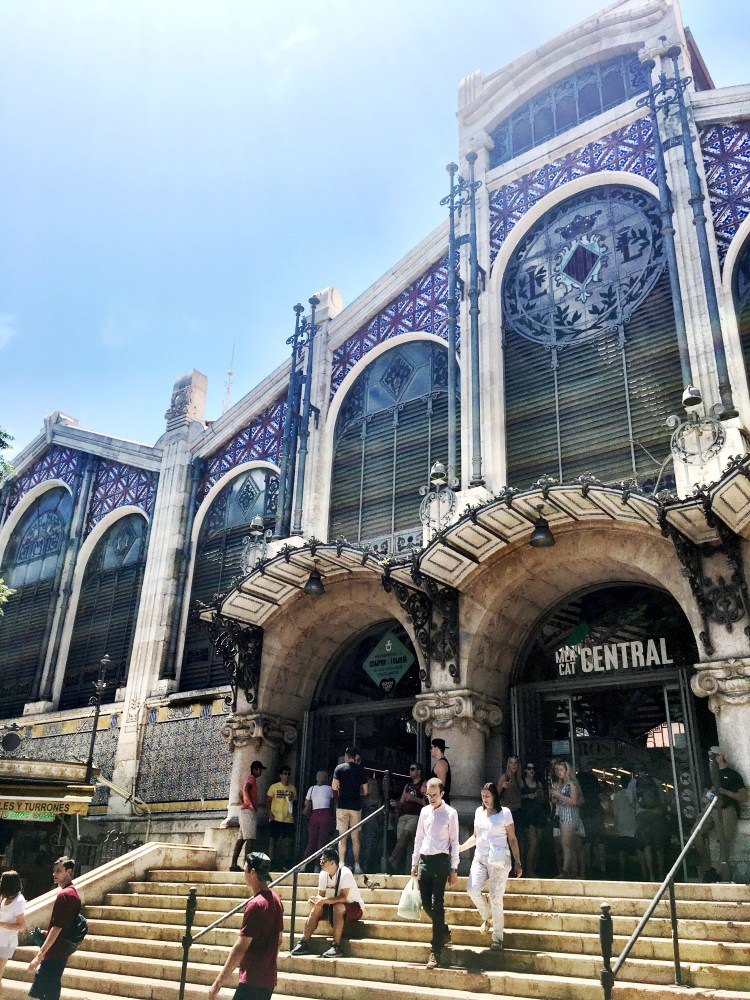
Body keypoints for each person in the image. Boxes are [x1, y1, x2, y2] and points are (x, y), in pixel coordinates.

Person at [208, 851, 283, 1000]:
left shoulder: (255, 905)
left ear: (253, 872)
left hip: (253, 979)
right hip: (267, 979)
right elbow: (279, 940)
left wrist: (218, 982)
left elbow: (240, 947)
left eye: (245, 870)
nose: (243, 874)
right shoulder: (276, 900)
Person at [459, 782, 522, 954]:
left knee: (495, 897)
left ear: (495, 796)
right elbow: (475, 836)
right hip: (480, 857)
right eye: (483, 796)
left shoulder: (505, 813)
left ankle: (497, 938)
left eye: (487, 796)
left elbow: (512, 838)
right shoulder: (479, 812)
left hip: (499, 859)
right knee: (472, 889)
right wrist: (460, 848)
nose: (485, 799)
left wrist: (518, 861)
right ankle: (488, 915)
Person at [411, 777, 459, 969]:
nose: (431, 798)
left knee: (436, 904)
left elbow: (455, 841)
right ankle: (443, 930)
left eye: (434, 795)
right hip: (425, 860)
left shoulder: (451, 813)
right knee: (425, 904)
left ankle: (435, 949)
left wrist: (453, 868)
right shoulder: (424, 812)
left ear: (442, 794)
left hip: (441, 861)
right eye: (428, 795)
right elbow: (419, 837)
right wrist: (414, 862)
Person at [290, 847, 364, 959]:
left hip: (353, 907)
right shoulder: (323, 874)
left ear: (332, 862)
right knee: (317, 908)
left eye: (323, 860)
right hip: (332, 904)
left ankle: (336, 946)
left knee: (337, 907)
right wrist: (315, 900)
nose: (321, 862)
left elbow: (343, 898)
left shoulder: (345, 873)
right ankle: (303, 942)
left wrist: (324, 900)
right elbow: (321, 895)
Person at [27, 856, 81, 1000]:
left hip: (54, 953)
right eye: (54, 871)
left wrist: (39, 956)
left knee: (45, 994)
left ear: (68, 872)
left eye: (58, 871)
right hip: (59, 952)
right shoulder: (72, 893)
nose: (54, 874)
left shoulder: (65, 895)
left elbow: (57, 928)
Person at [694, 746, 748, 882]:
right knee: (696, 834)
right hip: (711, 807)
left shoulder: (732, 774)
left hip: (726, 808)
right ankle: (708, 869)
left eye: (713, 757)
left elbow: (743, 796)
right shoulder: (710, 775)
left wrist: (725, 792)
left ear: (720, 756)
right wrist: (709, 795)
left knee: (724, 841)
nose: (711, 760)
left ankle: (721, 874)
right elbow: (704, 795)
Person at [332, 748, 368, 876]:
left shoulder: (339, 768)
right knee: (355, 837)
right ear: (355, 756)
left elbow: (334, 786)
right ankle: (357, 865)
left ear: (347, 756)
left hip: (342, 805)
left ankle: (341, 864)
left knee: (342, 837)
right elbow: (366, 790)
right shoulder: (361, 770)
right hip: (356, 806)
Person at [629, 770, 667, 882]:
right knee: (659, 847)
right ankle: (661, 874)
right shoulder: (656, 781)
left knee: (647, 846)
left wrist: (638, 810)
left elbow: (631, 801)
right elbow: (662, 799)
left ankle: (651, 876)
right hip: (656, 814)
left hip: (642, 815)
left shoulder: (633, 782)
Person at [388, 763, 426, 873]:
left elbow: (426, 802)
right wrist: (396, 804)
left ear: (419, 771)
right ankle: (405, 870)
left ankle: (390, 861)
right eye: (410, 769)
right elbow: (401, 802)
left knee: (405, 835)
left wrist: (413, 798)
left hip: (415, 816)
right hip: (403, 816)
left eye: (413, 769)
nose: (410, 771)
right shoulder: (407, 785)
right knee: (405, 844)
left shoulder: (423, 785)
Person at [550, 761, 585, 878]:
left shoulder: (571, 784)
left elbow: (573, 801)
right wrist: (556, 797)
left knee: (566, 845)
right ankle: (573, 871)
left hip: (569, 817)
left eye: (561, 770)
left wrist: (559, 795)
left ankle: (565, 871)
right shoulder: (562, 784)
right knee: (570, 845)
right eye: (557, 770)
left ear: (566, 771)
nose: (558, 772)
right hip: (563, 816)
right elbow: (560, 801)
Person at [231, 760, 266, 872]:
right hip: (248, 812)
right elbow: (245, 789)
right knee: (250, 838)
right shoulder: (251, 779)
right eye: (260, 769)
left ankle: (233, 864)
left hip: (244, 811)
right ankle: (248, 865)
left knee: (241, 839)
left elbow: (240, 793)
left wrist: (244, 802)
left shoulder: (250, 779)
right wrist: (249, 804)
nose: (260, 772)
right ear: (255, 769)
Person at [0, 870, 25, 995]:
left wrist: (1, 924)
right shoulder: (4, 898)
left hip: (6, 943)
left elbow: (21, 925)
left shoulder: (19, 901)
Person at [266, 767, 297, 869]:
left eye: (288, 774)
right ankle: (272, 863)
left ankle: (287, 864)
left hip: (288, 819)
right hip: (276, 818)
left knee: (288, 842)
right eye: (285, 773)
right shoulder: (274, 787)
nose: (287, 776)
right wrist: (269, 812)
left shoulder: (292, 788)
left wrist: (292, 798)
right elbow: (268, 800)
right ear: (280, 775)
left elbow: (294, 803)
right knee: (273, 841)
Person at [519, 763, 546, 878]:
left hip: (538, 814)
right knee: (533, 843)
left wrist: (538, 796)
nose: (531, 770)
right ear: (525, 770)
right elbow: (516, 796)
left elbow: (543, 799)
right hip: (527, 815)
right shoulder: (522, 782)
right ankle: (529, 870)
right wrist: (527, 796)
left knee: (538, 843)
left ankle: (534, 869)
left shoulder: (538, 784)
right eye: (529, 768)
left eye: (533, 768)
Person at [303, 771, 335, 865]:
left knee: (311, 841)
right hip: (325, 814)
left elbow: (306, 802)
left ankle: (304, 865)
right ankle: (318, 865)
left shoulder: (312, 789)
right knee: (322, 842)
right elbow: (333, 801)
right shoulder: (329, 789)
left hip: (314, 815)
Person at [611, 774, 637, 880]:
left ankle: (622, 872)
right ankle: (643, 873)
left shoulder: (617, 796)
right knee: (637, 849)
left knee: (621, 850)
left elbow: (615, 813)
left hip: (622, 825)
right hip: (633, 824)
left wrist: (616, 825)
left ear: (621, 784)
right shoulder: (633, 794)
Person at [497, 755, 522, 823]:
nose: (513, 765)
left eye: (515, 763)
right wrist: (502, 786)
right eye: (511, 763)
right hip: (507, 810)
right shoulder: (505, 776)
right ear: (508, 765)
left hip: (517, 810)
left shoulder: (518, 779)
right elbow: (496, 794)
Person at [429, 739, 451, 804]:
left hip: (440, 804)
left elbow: (441, 786)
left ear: (437, 748)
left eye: (431, 747)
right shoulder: (440, 763)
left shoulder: (441, 764)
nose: (430, 750)